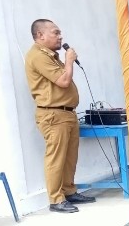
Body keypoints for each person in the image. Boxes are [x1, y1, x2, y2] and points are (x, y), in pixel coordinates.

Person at [25, 19, 95, 213]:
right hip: (53, 114)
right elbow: (64, 81)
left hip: (67, 113)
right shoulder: (38, 56)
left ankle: (69, 191)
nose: (60, 37)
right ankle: (56, 200)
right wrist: (69, 60)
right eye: (55, 33)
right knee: (56, 157)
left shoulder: (50, 55)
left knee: (70, 156)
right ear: (40, 35)